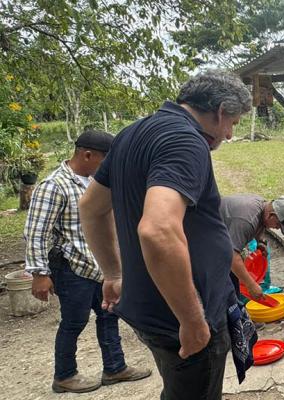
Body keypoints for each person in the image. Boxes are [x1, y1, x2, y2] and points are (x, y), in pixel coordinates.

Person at [79, 70, 252, 400]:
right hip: (181, 314)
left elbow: (90, 207)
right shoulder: (186, 141)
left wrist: (114, 273)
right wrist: (192, 320)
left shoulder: (132, 133)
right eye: (233, 123)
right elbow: (157, 230)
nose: (229, 135)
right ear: (220, 112)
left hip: (151, 308)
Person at [23, 130, 151, 393]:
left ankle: (115, 368)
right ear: (87, 154)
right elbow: (37, 232)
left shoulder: (94, 183)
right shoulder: (54, 186)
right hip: (72, 267)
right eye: (106, 161)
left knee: (109, 315)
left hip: (99, 266)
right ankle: (64, 375)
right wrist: (39, 273)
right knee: (74, 321)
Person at [220, 194, 284, 299]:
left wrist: (259, 241)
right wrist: (251, 285)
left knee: (232, 282)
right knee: (220, 281)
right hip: (204, 231)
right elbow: (232, 256)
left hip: (222, 233)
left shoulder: (262, 206)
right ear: (271, 215)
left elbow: (260, 223)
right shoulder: (246, 220)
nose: (277, 228)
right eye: (278, 225)